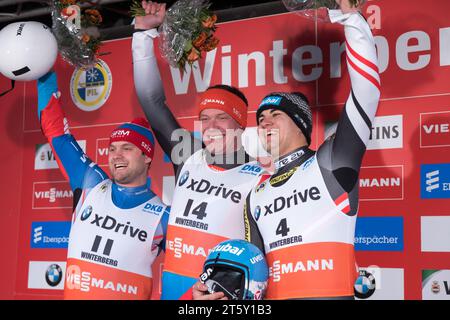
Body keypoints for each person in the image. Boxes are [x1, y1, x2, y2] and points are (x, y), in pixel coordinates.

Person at [194, 0, 381, 299]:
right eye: (261, 119)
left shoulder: (330, 162)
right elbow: (250, 273)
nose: (265, 123)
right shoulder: (256, 193)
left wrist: (350, 18)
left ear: (300, 125)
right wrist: (216, 292)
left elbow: (366, 94)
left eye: (275, 116)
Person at [132, 1, 264, 299]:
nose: (211, 125)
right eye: (204, 118)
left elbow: (259, 256)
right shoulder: (189, 155)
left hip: (216, 295)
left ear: (241, 123)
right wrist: (142, 35)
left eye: (222, 118)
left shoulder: (258, 177)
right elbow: (151, 101)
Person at [37, 71, 169, 299]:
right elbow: (56, 132)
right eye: (112, 148)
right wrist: (44, 71)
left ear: (147, 156)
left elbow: (188, 272)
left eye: (127, 149)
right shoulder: (90, 182)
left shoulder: (163, 216)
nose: (117, 155)